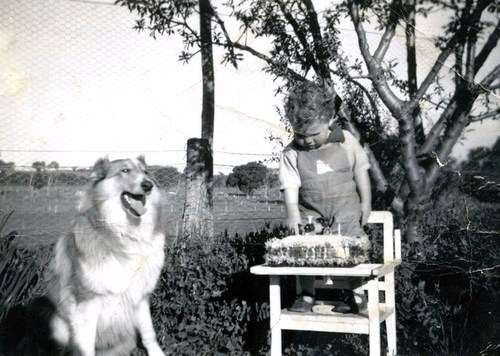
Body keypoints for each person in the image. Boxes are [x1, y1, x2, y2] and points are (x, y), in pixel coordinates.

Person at [278, 80, 372, 313]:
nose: (307, 140)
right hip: (311, 211)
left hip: (345, 208)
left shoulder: (345, 141)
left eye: (312, 135)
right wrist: (292, 214)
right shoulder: (292, 152)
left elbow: (361, 170)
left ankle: (357, 296)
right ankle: (307, 295)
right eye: (300, 135)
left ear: (330, 121)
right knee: (305, 249)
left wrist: (366, 202)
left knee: (349, 248)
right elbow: (290, 184)